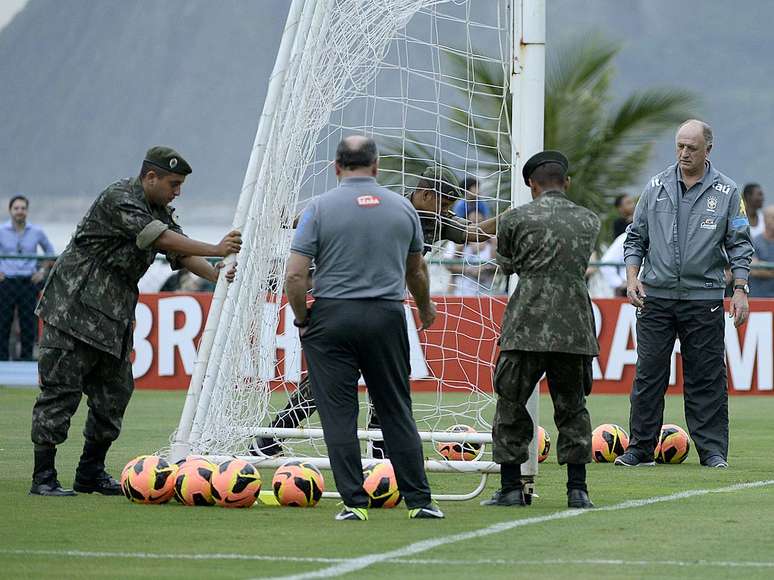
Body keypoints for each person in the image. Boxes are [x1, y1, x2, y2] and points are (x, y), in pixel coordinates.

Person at [30, 146, 242, 497]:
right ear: (150, 177)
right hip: (73, 310)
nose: (178, 191)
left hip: (112, 317)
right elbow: (159, 238)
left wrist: (216, 274)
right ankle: (43, 477)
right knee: (60, 393)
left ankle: (90, 472)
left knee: (114, 397)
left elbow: (180, 251)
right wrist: (216, 249)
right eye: (173, 183)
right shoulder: (120, 198)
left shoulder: (158, 210)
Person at [252, 164, 494, 457]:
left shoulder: (437, 220)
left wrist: (515, 214)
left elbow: (473, 234)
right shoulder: (388, 205)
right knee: (333, 380)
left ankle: (378, 453)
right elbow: (328, 213)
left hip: (380, 304)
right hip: (339, 293)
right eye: (444, 204)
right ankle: (272, 439)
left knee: (386, 379)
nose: (446, 211)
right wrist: (288, 221)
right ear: (427, 194)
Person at [286, 135, 442, 521]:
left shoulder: (318, 208)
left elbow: (294, 274)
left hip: (333, 315)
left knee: (338, 412)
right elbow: (416, 270)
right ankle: (420, 501)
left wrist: (303, 318)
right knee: (395, 409)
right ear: (376, 167)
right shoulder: (402, 208)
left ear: (337, 167)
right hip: (386, 315)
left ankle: (354, 504)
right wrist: (424, 308)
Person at [617, 120, 753, 469]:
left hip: (704, 297)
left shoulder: (727, 191)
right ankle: (639, 450)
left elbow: (739, 245)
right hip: (656, 297)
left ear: (709, 149)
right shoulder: (656, 186)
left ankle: (712, 451)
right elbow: (636, 238)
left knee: (706, 376)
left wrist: (739, 290)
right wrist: (633, 277)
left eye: (691, 147)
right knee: (649, 374)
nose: (684, 153)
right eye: (679, 146)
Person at [482, 150, 599, 509]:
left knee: (511, 404)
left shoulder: (515, 219)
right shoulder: (589, 220)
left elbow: (506, 265)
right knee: (573, 408)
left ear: (532, 184)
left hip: (526, 323)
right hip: (574, 324)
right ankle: (577, 490)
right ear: (566, 182)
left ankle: (511, 488)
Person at [0, 195, 55, 361]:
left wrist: (42, 271)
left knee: (28, 324)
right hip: (6, 282)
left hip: (28, 282)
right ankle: (2, 360)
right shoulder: (1, 230)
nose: (20, 212)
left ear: (27, 211)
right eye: (16, 208)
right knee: (3, 322)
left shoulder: (36, 231)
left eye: (23, 208)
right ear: (10, 210)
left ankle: (25, 359)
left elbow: (50, 253)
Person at [444, 210, 497, 295]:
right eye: (473, 223)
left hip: (485, 293)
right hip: (458, 293)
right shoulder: (455, 241)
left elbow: (497, 266)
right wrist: (469, 270)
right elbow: (448, 265)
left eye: (479, 223)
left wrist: (484, 269)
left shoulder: (491, 243)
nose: (477, 227)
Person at [748, 206, 774, 297]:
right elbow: (752, 269)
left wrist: (763, 267)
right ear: (765, 220)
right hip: (759, 299)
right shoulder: (755, 242)